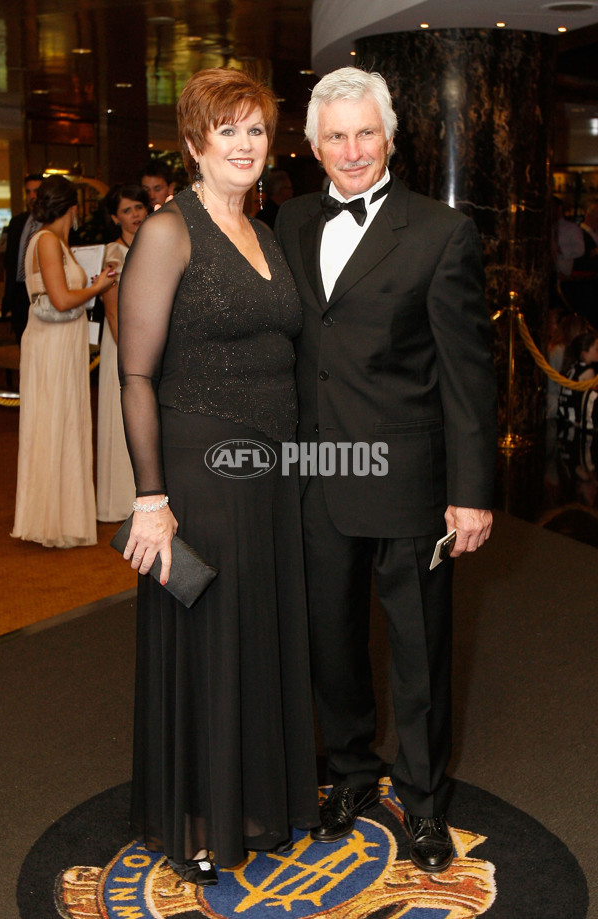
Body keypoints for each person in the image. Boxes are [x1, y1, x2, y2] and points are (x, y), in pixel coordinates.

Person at [276, 67, 497, 874]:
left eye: (365, 133)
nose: (351, 150)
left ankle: (426, 803)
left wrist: (470, 492)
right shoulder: (291, 219)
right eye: (334, 136)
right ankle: (350, 772)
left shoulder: (440, 231)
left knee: (420, 649)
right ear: (311, 144)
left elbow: (469, 374)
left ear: (393, 139)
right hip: (317, 471)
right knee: (329, 642)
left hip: (408, 479)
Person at [117, 68, 319, 886]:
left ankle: (256, 798)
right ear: (196, 143)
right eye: (226, 130)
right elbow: (135, 373)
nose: (243, 145)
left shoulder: (264, 231)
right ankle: (200, 814)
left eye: (256, 131)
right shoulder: (171, 230)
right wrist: (151, 500)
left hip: (270, 470)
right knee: (211, 642)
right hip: (200, 471)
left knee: (261, 634)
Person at [11, 175, 117, 547]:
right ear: (72, 208)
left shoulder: (54, 242)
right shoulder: (47, 242)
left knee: (61, 424)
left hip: (60, 344)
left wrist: (89, 285)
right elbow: (60, 299)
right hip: (52, 346)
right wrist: (99, 287)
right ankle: (49, 520)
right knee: (55, 424)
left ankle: (56, 515)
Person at [96, 184, 149, 522]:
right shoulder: (114, 253)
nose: (134, 216)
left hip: (150, 340)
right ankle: (121, 500)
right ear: (115, 217)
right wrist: (125, 354)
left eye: (139, 208)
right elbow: (112, 309)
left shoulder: (152, 242)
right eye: (127, 210)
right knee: (124, 416)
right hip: (123, 343)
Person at [2, 173, 44, 342]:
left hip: (42, 293)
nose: (32, 197)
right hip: (19, 293)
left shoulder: (53, 224)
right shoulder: (18, 222)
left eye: (36, 191)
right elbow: (10, 260)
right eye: (28, 192)